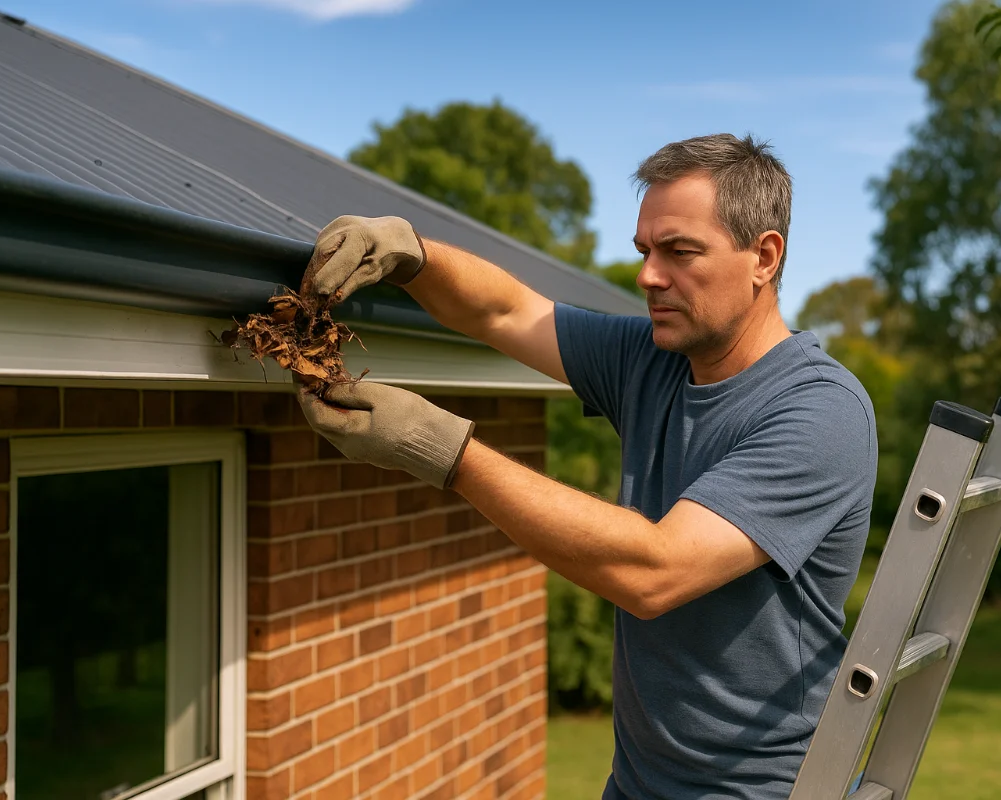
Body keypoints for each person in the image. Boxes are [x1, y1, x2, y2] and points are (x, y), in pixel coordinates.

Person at [297, 133, 878, 799]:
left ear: (763, 257)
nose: (649, 276)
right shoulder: (654, 359)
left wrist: (439, 448)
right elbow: (507, 311)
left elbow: (656, 571)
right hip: (636, 786)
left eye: (680, 251)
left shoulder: (820, 411)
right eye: (645, 251)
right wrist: (411, 254)